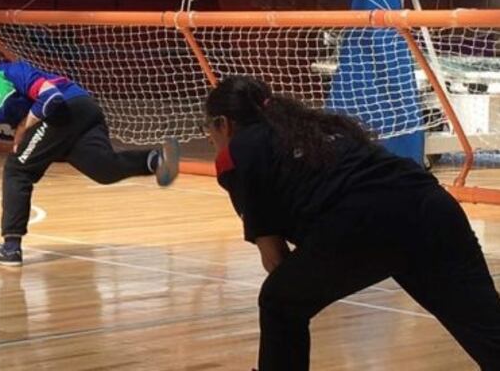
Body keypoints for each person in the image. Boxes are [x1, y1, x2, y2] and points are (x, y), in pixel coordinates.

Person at [201, 75, 500, 370]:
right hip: (432, 205)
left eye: (208, 128)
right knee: (487, 330)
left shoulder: (237, 153)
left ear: (223, 124)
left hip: (364, 224)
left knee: (279, 302)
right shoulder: (316, 128)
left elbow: (275, 258)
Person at [0, 60, 178, 267]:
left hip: (69, 109)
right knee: (103, 169)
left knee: (17, 170)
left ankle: (11, 247)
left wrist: (23, 128)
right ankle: (155, 159)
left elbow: (52, 97)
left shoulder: (8, 74)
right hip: (73, 124)